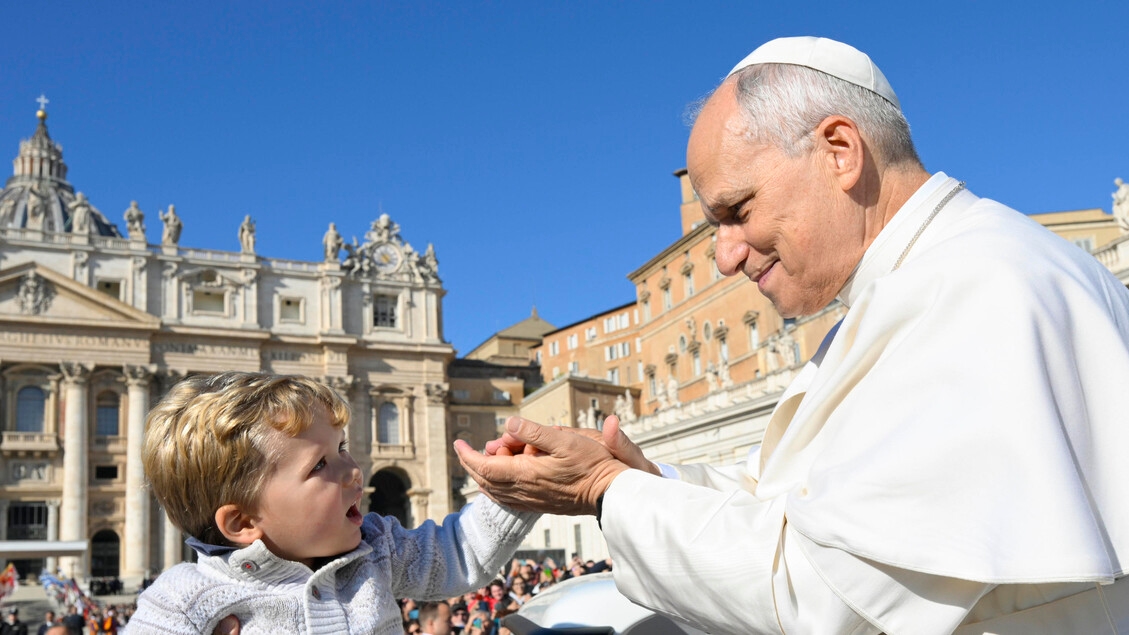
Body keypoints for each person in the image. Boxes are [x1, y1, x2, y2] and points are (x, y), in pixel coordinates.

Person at [456, 36, 1129, 633]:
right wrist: (644, 477)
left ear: (839, 151)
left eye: (736, 211)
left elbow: (822, 597)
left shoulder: (975, 287)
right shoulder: (909, 291)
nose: (723, 255)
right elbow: (787, 509)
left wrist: (605, 488)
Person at [128, 372, 536, 634]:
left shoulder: (377, 549)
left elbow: (458, 552)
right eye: (320, 463)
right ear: (243, 521)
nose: (354, 470)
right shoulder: (180, 600)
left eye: (341, 448)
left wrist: (516, 488)